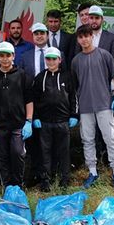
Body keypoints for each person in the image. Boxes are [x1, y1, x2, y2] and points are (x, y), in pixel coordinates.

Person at [71, 24, 114, 191]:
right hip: (85, 106)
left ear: (92, 36)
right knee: (88, 140)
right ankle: (93, 172)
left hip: (104, 104)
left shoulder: (104, 55)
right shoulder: (76, 61)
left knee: (110, 138)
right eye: (81, 37)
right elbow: (75, 85)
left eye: (87, 36)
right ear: (78, 40)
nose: (84, 39)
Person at [0, 41, 33, 187]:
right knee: (2, 157)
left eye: (8, 55)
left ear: (13, 56)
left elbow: (29, 100)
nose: (5, 59)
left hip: (18, 124)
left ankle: (18, 186)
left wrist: (29, 121)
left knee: (18, 154)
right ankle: (7, 186)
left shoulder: (23, 76)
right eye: (2, 55)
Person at [31, 47, 78, 191]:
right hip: (44, 122)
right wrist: (35, 117)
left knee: (63, 151)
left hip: (62, 121)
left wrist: (74, 115)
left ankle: (64, 179)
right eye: (48, 59)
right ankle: (46, 179)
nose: (51, 61)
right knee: (45, 151)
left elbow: (74, 97)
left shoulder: (67, 76)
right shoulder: (40, 77)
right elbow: (34, 99)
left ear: (59, 60)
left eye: (53, 59)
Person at [19, 22, 51, 185]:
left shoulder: (56, 54)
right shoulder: (25, 56)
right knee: (32, 142)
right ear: (32, 36)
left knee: (48, 141)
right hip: (32, 103)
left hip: (52, 104)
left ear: (47, 35)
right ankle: (33, 174)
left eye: (42, 33)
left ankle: (47, 175)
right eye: (36, 33)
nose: (39, 36)